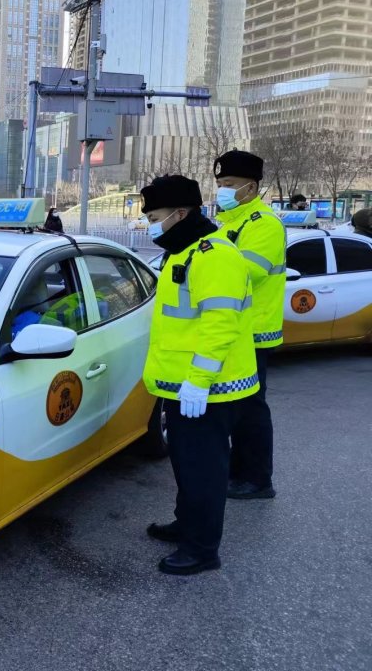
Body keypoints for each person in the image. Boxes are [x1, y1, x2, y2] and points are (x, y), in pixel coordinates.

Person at [141, 174, 259, 575]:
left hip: (210, 390)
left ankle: (202, 550)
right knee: (186, 464)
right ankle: (187, 524)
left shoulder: (214, 256)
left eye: (154, 215)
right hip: (185, 386)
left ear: (180, 213)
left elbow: (220, 324)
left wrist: (199, 380)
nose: (149, 223)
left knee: (204, 470)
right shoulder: (184, 250)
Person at [213, 149, 285, 501]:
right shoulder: (231, 222)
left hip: (254, 330)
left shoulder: (263, 224)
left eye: (228, 184)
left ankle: (257, 479)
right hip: (236, 328)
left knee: (251, 409)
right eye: (219, 184)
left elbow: (248, 272)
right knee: (237, 408)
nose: (221, 190)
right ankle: (239, 472)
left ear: (251, 187)